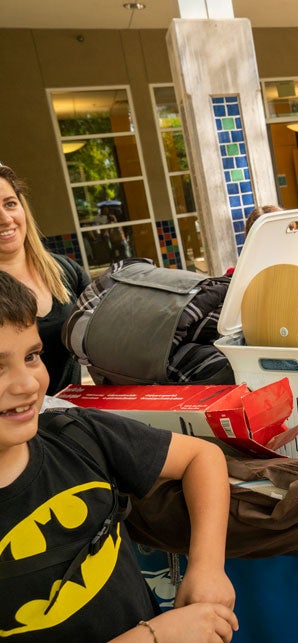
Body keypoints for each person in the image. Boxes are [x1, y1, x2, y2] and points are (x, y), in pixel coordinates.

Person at [0, 271, 238, 642]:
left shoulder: (75, 434)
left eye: (32, 356)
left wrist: (207, 566)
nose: (28, 383)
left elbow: (201, 457)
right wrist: (155, 637)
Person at [0, 164, 90, 395]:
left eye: (9, 203)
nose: (5, 218)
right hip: (18, 422)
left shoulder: (64, 270)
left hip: (75, 415)